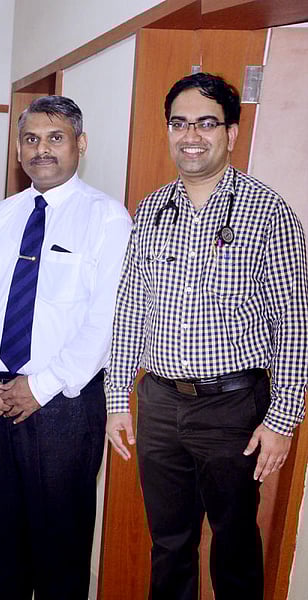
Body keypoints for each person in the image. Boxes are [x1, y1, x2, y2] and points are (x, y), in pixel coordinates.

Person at [105, 72, 308, 599]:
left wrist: (282, 420)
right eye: (179, 123)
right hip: (161, 402)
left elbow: (294, 324)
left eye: (206, 123)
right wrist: (117, 398)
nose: (190, 135)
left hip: (233, 408)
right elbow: (131, 307)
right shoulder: (151, 210)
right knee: (169, 542)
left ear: (231, 134)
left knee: (234, 542)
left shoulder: (269, 213)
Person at [0, 95, 131, 599]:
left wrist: (41, 385)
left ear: (81, 144)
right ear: (18, 149)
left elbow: (106, 321)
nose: (41, 149)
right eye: (30, 139)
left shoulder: (106, 218)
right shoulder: (1, 216)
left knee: (60, 551)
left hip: (63, 408)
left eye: (55, 138)